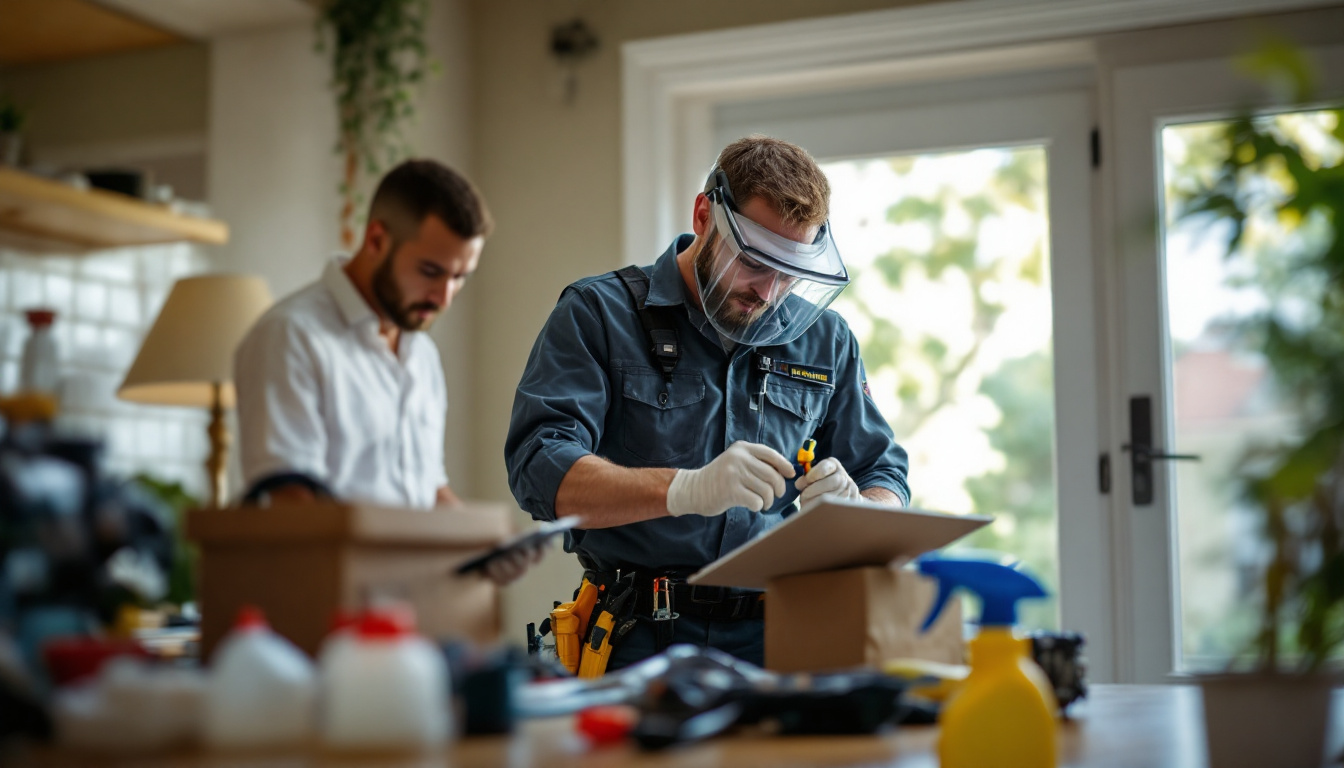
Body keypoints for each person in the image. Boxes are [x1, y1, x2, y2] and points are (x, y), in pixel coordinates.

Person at [505, 135, 910, 669]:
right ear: (703, 216)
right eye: (755, 262)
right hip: (637, 636)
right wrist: (683, 489)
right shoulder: (598, 314)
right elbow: (538, 470)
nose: (770, 292)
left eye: (792, 272)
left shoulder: (825, 341)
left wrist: (862, 514)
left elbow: (884, 470)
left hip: (785, 632)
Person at [235, 159, 540, 585]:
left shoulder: (423, 357)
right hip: (326, 607)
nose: (444, 296)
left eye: (460, 277)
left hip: (413, 608)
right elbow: (291, 503)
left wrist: (485, 542)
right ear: (377, 238)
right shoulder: (291, 336)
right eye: (431, 271)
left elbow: (426, 492)